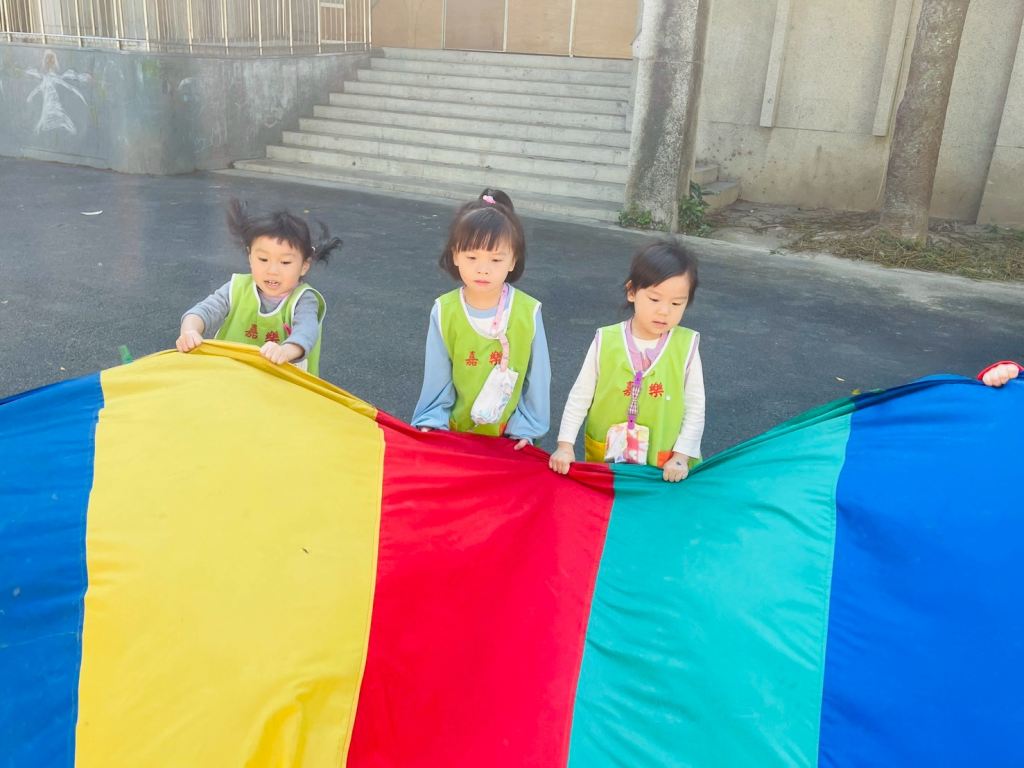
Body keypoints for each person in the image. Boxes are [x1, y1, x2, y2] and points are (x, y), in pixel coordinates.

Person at [549, 239, 704, 482]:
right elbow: (580, 396)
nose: (664, 311)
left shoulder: (686, 346)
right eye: (654, 299)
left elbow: (695, 407)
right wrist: (565, 445)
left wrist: (681, 456)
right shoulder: (606, 340)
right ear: (632, 291)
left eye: (676, 303)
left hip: (664, 467)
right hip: (609, 464)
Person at [411, 190, 549, 448]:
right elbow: (437, 376)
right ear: (455, 255)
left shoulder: (528, 311)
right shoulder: (445, 310)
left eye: (496, 259)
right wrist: (432, 421)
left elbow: (537, 380)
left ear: (513, 260)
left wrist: (526, 430)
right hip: (457, 434)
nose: (483, 269)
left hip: (510, 439)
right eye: (472, 257)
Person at [176, 199, 341, 376]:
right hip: (231, 375)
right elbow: (204, 311)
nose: (272, 270)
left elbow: (306, 333)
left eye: (285, 262)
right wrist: (190, 331)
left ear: (304, 266)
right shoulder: (236, 288)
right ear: (250, 257)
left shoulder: (303, 300)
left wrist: (285, 351)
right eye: (263, 259)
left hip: (282, 381)